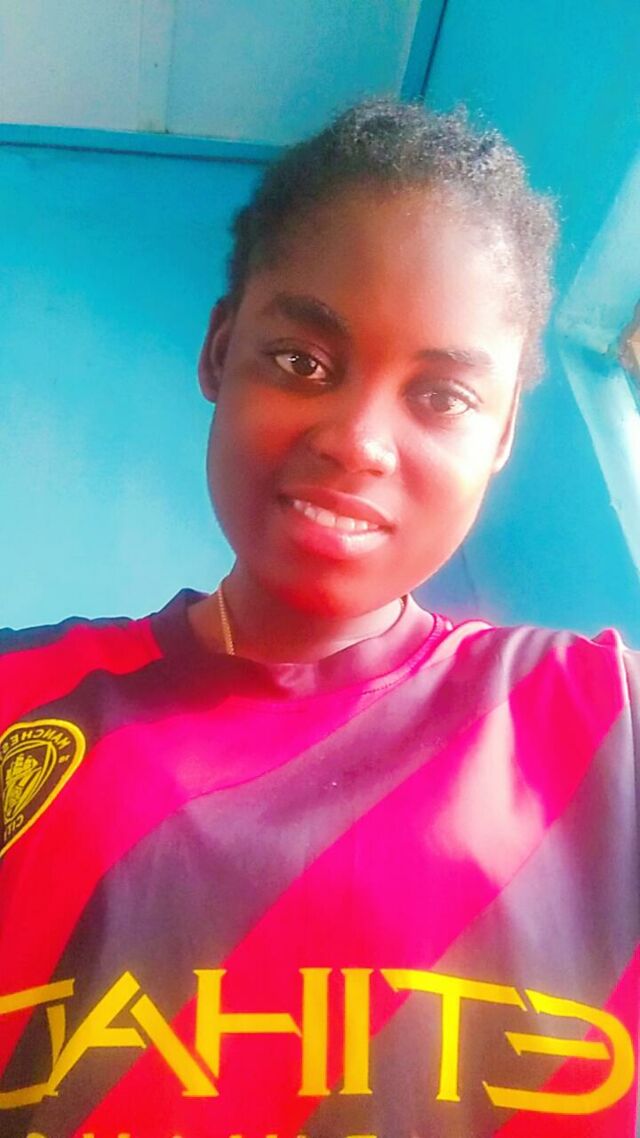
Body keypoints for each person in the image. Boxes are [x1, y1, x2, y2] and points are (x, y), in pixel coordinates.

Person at [0, 99, 638, 1138]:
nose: (358, 440)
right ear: (221, 350)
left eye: (441, 397)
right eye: (303, 360)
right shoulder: (19, 699)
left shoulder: (608, 727)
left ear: (501, 437)